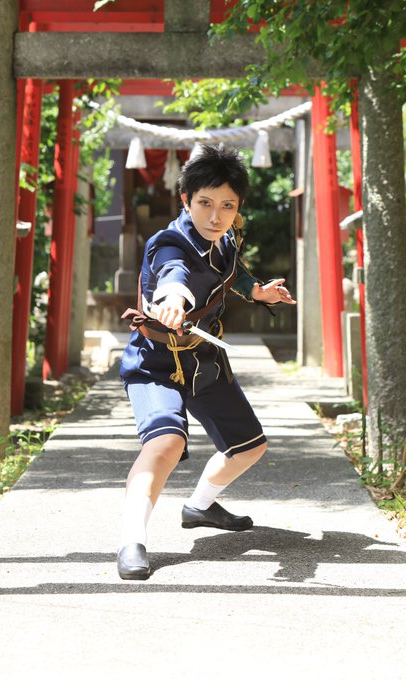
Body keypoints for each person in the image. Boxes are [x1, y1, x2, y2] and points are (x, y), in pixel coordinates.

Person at [118, 144, 296, 580]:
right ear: (186, 200)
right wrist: (172, 300)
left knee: (249, 446)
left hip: (204, 360)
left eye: (227, 206)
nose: (216, 216)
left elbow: (234, 272)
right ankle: (132, 540)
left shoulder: (225, 239)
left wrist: (259, 292)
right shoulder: (169, 242)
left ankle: (198, 507)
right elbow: (173, 274)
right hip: (156, 364)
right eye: (205, 203)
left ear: (237, 208)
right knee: (165, 443)